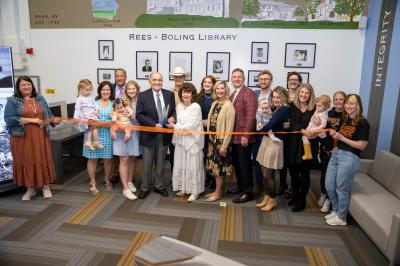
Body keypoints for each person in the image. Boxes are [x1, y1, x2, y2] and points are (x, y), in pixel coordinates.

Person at [4, 76, 60, 201]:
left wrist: (53, 120)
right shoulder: (13, 100)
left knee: (42, 158)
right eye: (23, 85)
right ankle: (30, 189)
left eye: (28, 84)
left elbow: (48, 114)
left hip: (40, 135)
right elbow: (8, 119)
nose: (26, 87)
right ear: (18, 87)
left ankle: (45, 186)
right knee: (27, 160)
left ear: (32, 86)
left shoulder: (39, 98)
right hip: (22, 137)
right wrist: (31, 120)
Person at [324, 94, 370, 226]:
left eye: (352, 104)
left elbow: (361, 145)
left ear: (358, 106)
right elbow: (339, 136)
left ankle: (341, 217)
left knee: (341, 188)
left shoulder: (363, 122)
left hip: (350, 157)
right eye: (347, 103)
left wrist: (342, 138)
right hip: (337, 154)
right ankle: (336, 210)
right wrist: (335, 136)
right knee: (329, 186)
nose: (349, 106)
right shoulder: (345, 119)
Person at [136, 72, 176, 199]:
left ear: (162, 81)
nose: (157, 82)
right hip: (148, 134)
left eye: (159, 80)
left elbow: (173, 110)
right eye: (154, 80)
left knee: (160, 162)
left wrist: (172, 118)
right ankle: (145, 187)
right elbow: (139, 114)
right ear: (150, 81)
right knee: (147, 164)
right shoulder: (142, 95)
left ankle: (159, 186)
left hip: (164, 135)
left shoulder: (169, 94)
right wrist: (153, 124)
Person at [167, 82, 204, 201]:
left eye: (188, 92)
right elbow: (178, 121)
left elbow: (191, 126)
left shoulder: (196, 107)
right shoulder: (179, 106)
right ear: (181, 94)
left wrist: (174, 127)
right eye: (183, 92)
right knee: (181, 163)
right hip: (181, 140)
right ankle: (183, 188)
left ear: (192, 94)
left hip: (192, 141)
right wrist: (173, 122)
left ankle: (195, 191)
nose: (185, 94)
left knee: (193, 165)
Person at [256, 86, 290, 211]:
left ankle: (273, 200)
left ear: (283, 97)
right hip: (267, 140)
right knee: (263, 172)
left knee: (267, 174)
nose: (275, 99)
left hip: (274, 143)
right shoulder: (275, 108)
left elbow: (269, 125)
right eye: (274, 97)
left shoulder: (283, 109)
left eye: (278, 97)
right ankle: (267, 197)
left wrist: (260, 127)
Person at [229, 68, 257, 204]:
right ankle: (241, 187)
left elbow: (251, 116)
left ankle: (248, 192)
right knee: (237, 164)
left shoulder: (249, 93)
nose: (236, 79)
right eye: (234, 77)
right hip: (234, 137)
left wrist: (246, 135)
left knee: (245, 165)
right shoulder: (234, 93)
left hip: (243, 137)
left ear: (244, 79)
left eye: (239, 77)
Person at [287, 83, 316, 212]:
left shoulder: (315, 109)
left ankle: (302, 200)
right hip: (293, 144)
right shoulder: (292, 106)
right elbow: (290, 123)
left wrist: (314, 132)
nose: (303, 95)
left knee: (304, 174)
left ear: (310, 95)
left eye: (307, 93)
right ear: (298, 93)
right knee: (293, 173)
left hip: (307, 146)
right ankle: (296, 195)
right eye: (302, 92)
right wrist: (302, 130)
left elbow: (320, 123)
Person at [205, 81, 235, 202]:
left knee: (219, 169)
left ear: (226, 90)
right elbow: (210, 121)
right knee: (214, 168)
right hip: (212, 141)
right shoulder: (215, 103)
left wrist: (224, 146)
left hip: (221, 142)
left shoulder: (229, 105)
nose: (220, 90)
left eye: (222, 88)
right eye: (217, 88)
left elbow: (230, 128)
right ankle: (217, 190)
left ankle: (218, 193)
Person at [83, 81, 114, 194]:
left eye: (108, 90)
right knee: (92, 159)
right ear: (100, 91)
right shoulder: (93, 103)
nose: (105, 92)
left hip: (107, 134)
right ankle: (92, 183)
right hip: (92, 134)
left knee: (108, 159)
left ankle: (107, 180)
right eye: (103, 89)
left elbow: (115, 121)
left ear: (111, 92)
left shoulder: (113, 104)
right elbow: (86, 117)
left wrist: (101, 123)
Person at [318, 91, 346, 213]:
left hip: (340, 151)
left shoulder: (348, 116)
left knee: (333, 178)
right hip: (326, 150)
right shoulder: (327, 114)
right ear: (333, 101)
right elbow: (320, 132)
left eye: (341, 99)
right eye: (336, 99)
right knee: (324, 175)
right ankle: (323, 193)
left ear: (345, 101)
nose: (339, 101)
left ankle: (329, 200)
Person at [111, 98, 139, 200]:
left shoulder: (126, 108)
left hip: (131, 133)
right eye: (118, 108)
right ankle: (125, 189)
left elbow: (131, 114)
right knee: (124, 160)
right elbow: (113, 121)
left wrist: (129, 113)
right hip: (120, 135)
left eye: (121, 107)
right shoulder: (115, 112)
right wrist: (115, 117)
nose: (120, 109)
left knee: (132, 158)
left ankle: (129, 181)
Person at [252, 70, 273, 195]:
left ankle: (269, 187)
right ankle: (258, 183)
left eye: (266, 79)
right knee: (256, 159)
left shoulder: (275, 94)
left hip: (270, 133)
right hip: (257, 133)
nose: (263, 81)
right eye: (261, 79)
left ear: (271, 81)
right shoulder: (255, 93)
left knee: (269, 161)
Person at [196, 75, 217, 189]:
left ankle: (214, 178)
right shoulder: (198, 97)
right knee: (204, 155)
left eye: (209, 82)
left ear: (213, 84)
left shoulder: (217, 97)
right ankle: (207, 177)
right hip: (200, 131)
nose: (207, 84)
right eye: (205, 82)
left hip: (214, 131)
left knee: (212, 155)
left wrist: (208, 122)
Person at [73, 79, 104, 151]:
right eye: (86, 90)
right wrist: (76, 118)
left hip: (92, 116)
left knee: (94, 128)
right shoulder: (79, 99)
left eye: (89, 90)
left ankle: (93, 142)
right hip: (85, 117)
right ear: (81, 89)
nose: (88, 92)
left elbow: (96, 104)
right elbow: (77, 109)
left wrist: (97, 110)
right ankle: (92, 142)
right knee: (91, 129)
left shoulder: (91, 97)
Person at [124, 80, 141, 192]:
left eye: (133, 88)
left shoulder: (142, 101)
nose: (131, 91)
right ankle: (125, 182)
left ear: (137, 89)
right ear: (126, 90)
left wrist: (133, 118)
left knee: (134, 157)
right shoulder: (123, 102)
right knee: (125, 157)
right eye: (129, 89)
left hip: (138, 131)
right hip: (126, 132)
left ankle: (130, 181)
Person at [302, 94, 330, 160]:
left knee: (316, 143)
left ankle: (312, 155)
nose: (317, 107)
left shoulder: (324, 114)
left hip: (317, 131)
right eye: (316, 105)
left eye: (319, 106)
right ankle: (308, 153)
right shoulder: (317, 110)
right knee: (304, 137)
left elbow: (323, 125)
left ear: (325, 106)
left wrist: (314, 131)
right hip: (311, 129)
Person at [169, 67, 187, 171]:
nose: (178, 78)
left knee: (186, 152)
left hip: (187, 127)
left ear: (185, 77)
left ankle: (185, 177)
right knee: (174, 152)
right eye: (176, 76)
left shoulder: (190, 91)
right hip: (174, 127)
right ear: (173, 78)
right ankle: (174, 175)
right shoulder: (169, 92)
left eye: (181, 76)